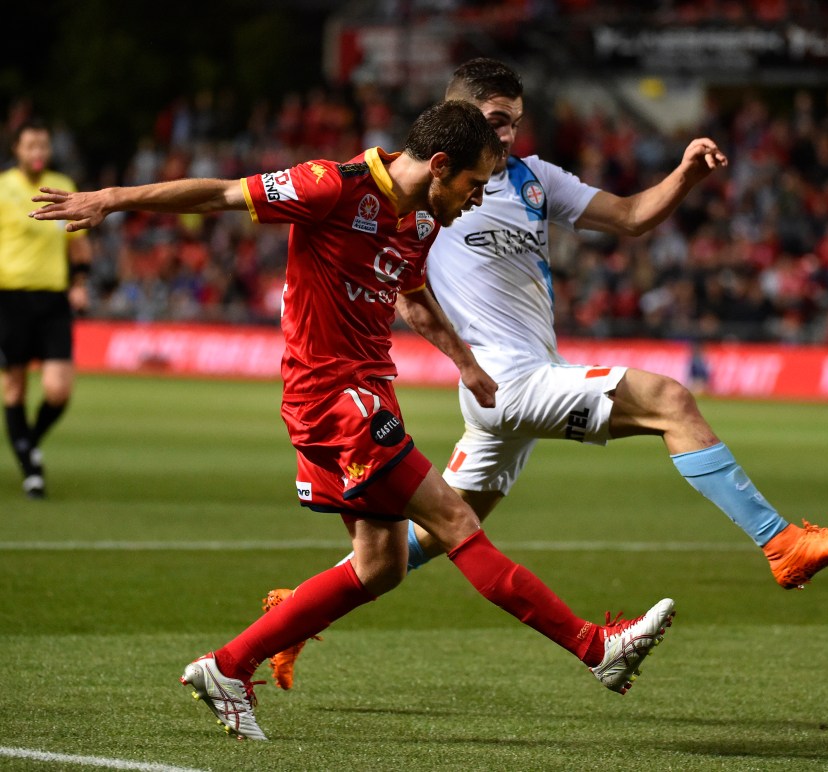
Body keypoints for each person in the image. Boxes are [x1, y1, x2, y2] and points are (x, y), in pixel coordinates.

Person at [30, 100, 675, 742]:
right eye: (475, 185)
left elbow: (413, 296)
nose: (478, 200)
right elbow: (223, 194)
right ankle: (596, 648)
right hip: (333, 399)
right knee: (455, 521)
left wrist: (467, 364)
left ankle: (227, 667)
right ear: (441, 166)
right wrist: (112, 198)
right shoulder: (330, 186)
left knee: (380, 564)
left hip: (368, 393)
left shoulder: (421, 220)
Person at [264, 59, 828, 692]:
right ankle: (781, 545)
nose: (506, 137)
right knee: (669, 399)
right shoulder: (427, 192)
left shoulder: (535, 179)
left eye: (514, 124)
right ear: (460, 124)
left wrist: (685, 174)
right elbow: (393, 275)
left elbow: (633, 216)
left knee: (437, 532)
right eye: (496, 123)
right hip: (507, 383)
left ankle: (295, 616)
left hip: (515, 388)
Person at [0, 118, 92, 498]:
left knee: (58, 390)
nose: (38, 152)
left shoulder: (64, 187)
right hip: (10, 299)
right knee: (14, 387)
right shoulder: (3, 188)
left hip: (53, 300)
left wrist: (80, 283)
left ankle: (28, 445)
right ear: (16, 150)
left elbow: (78, 244)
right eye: (31, 145)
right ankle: (31, 468)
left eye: (43, 146)